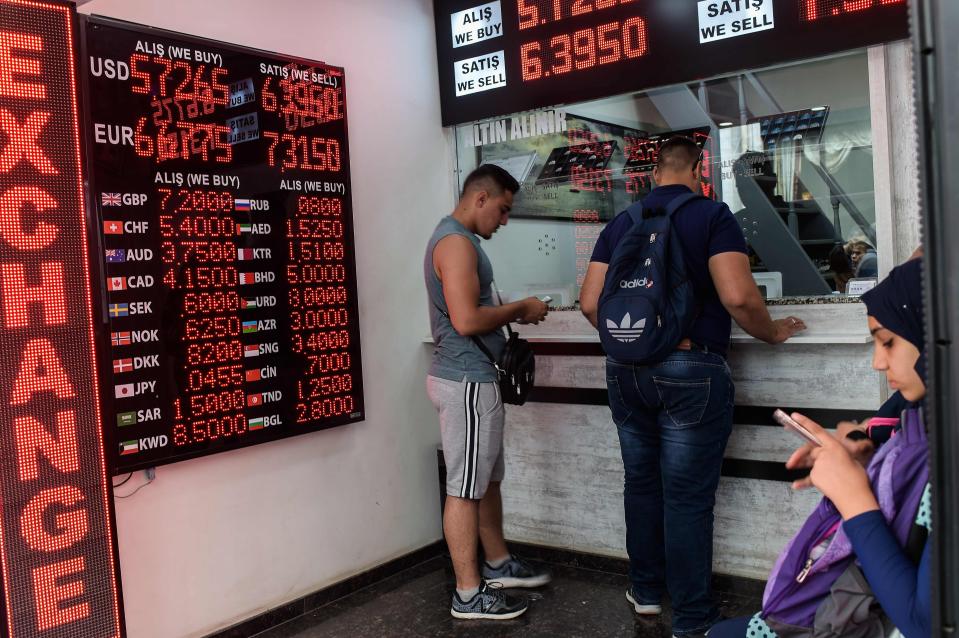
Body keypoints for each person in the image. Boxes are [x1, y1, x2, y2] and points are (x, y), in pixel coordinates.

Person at [579, 137, 806, 638]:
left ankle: (645, 595)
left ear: (653, 172)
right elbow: (738, 295)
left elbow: (590, 303)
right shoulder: (712, 216)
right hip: (689, 370)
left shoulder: (621, 223)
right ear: (699, 168)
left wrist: (639, 341)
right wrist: (771, 332)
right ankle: (692, 618)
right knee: (684, 498)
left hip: (625, 371)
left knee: (640, 484)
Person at [710, 258, 931, 638]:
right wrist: (865, 462)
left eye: (888, 341)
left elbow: (924, 625)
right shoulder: (929, 424)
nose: (878, 362)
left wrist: (853, 497)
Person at [424, 164, 551, 620]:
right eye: (502, 209)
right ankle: (468, 593)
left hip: (474, 380)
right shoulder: (455, 243)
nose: (504, 220)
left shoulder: (463, 242)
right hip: (466, 382)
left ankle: (497, 563)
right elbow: (466, 321)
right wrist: (521, 309)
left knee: (485, 479)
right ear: (480, 198)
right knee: (463, 488)